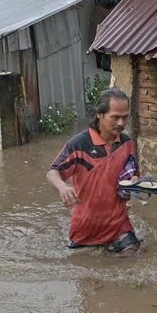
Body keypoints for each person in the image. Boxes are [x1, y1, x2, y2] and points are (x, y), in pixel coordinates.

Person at [46, 88, 142, 256]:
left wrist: (135, 181)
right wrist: (62, 187)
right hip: (86, 227)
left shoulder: (126, 142)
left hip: (118, 224)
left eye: (125, 117)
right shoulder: (79, 144)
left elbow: (132, 170)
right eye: (115, 117)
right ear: (99, 114)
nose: (121, 123)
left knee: (132, 260)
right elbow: (53, 172)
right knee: (84, 267)